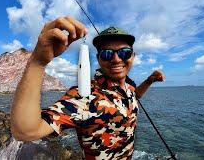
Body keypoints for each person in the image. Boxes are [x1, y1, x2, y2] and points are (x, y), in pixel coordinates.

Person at [11, 16, 165, 159]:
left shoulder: (128, 84)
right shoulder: (85, 96)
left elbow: (134, 96)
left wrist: (149, 80)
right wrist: (38, 62)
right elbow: (25, 131)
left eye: (124, 53)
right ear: (98, 59)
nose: (116, 59)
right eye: (107, 54)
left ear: (133, 56)